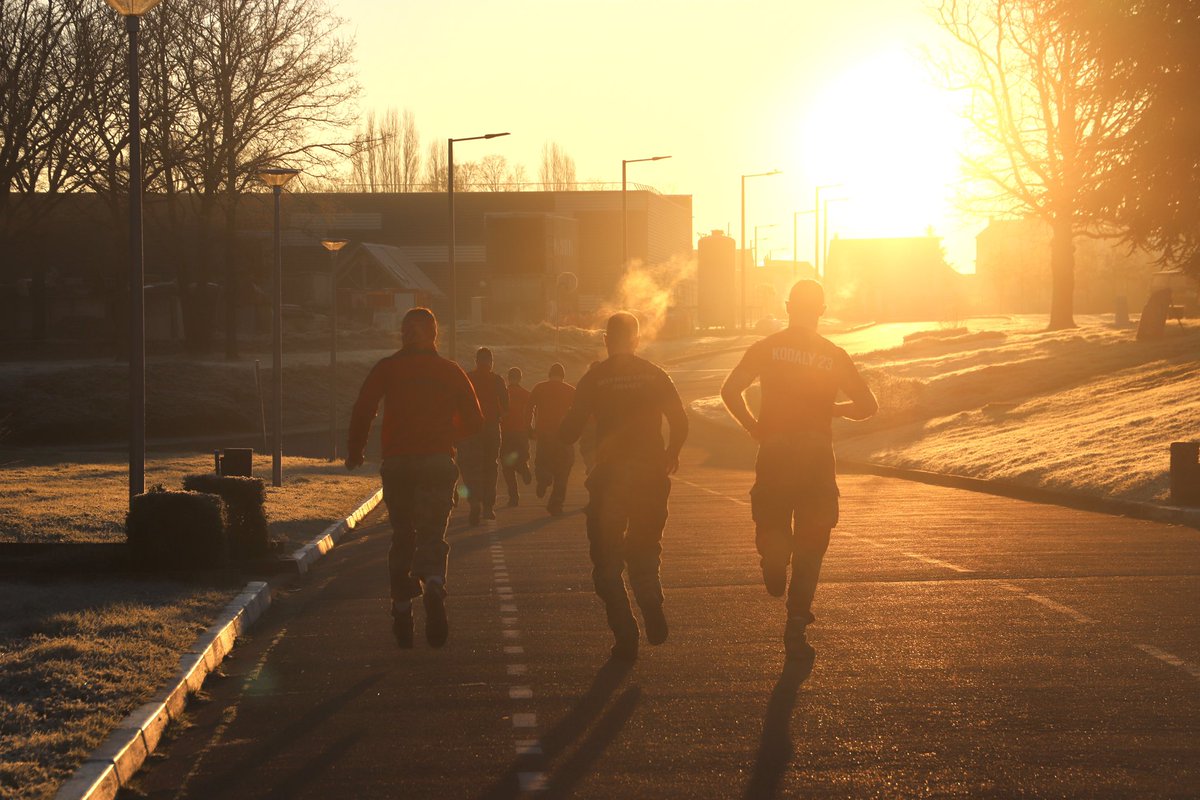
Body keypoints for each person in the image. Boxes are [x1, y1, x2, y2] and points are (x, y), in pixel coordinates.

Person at [720, 280, 877, 665]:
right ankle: (796, 621)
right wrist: (833, 410)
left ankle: (774, 560)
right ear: (821, 310)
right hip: (817, 455)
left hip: (774, 450)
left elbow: (730, 389)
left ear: (789, 307)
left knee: (771, 516)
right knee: (812, 540)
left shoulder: (767, 347)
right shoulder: (833, 354)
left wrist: (753, 425)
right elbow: (868, 405)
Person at [346, 307, 483, 649]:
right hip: (437, 460)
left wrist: (355, 451)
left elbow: (364, 408)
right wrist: (449, 436)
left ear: (403, 334)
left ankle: (402, 608)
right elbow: (476, 420)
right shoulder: (450, 371)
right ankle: (434, 583)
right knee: (433, 531)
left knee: (403, 533)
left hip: (398, 463)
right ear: (435, 335)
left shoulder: (388, 368)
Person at [560, 312, 689, 661]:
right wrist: (671, 452)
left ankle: (625, 634)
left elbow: (570, 429)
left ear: (606, 339)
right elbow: (679, 420)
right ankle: (648, 595)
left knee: (606, 559)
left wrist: (555, 432)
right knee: (645, 546)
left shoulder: (594, 378)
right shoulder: (655, 374)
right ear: (636, 339)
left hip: (611, 476)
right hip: (650, 474)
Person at [459, 347, 508, 525]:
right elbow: (506, 406)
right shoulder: (497, 380)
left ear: (476, 361)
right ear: (491, 362)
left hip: (471, 429)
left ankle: (474, 502)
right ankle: (488, 507)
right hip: (492, 429)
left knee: (471, 467)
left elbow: (459, 404)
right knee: (490, 467)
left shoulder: (468, 378)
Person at [527, 363, 576, 516]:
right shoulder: (570, 390)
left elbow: (528, 407)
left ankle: (543, 478)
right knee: (563, 470)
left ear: (549, 374)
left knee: (542, 461)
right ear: (563, 376)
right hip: (563, 437)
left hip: (544, 434)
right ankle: (556, 504)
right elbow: (578, 413)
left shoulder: (539, 388)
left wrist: (529, 427)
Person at [500, 366, 533, 507]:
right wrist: (529, 427)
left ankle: (513, 497)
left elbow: (499, 413)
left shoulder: (503, 394)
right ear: (520, 378)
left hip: (506, 432)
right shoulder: (526, 394)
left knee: (507, 466)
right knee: (521, 457)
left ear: (508, 378)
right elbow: (531, 411)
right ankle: (523, 468)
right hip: (521, 432)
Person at [578, 361, 601, 475]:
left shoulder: (585, 384)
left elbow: (579, 404)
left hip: (589, 422)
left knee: (586, 446)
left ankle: (591, 465)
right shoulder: (607, 382)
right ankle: (596, 466)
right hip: (604, 422)